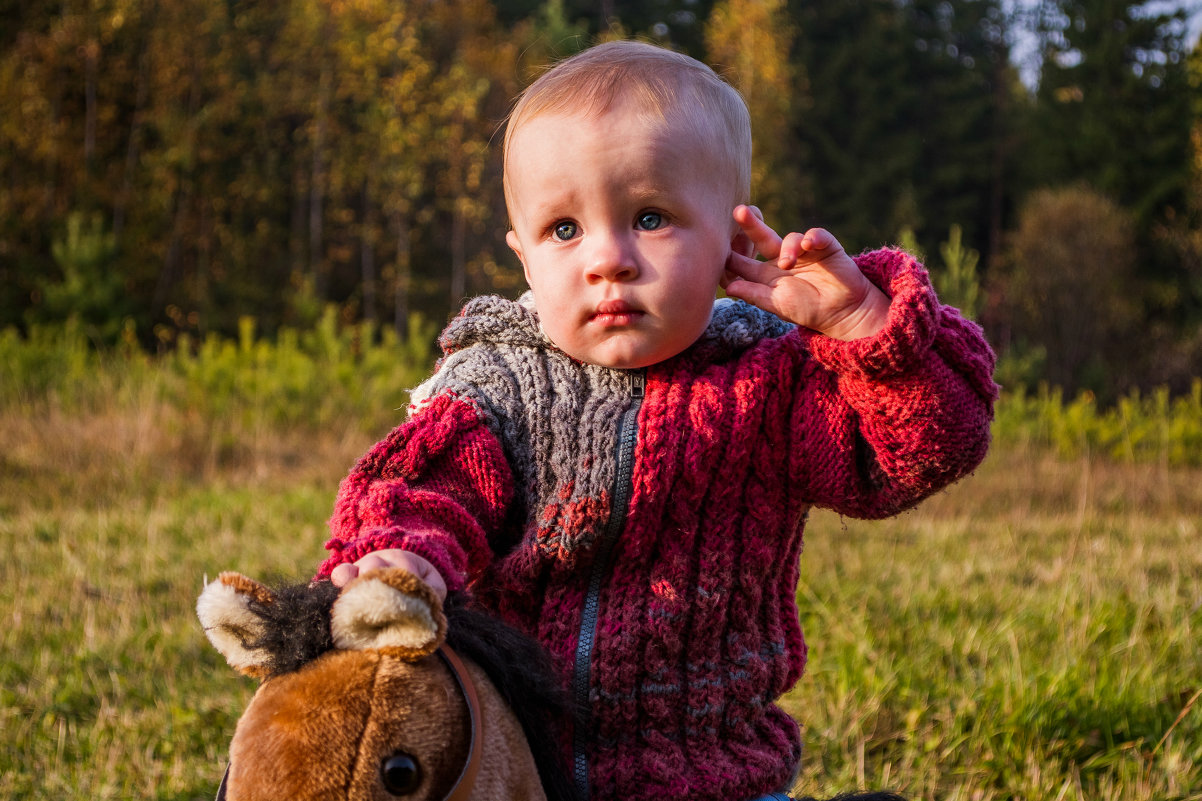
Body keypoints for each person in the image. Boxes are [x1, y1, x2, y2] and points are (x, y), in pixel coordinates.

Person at [316, 40, 997, 801]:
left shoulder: (772, 383)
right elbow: (423, 484)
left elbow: (925, 446)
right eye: (564, 230)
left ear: (733, 246)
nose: (608, 258)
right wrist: (397, 556)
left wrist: (865, 327)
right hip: (515, 771)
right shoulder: (499, 384)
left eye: (650, 217)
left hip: (714, 777)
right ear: (524, 258)